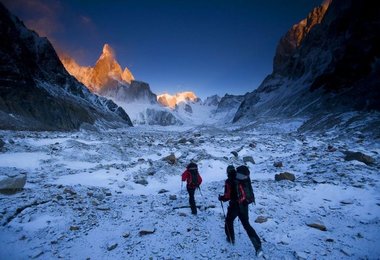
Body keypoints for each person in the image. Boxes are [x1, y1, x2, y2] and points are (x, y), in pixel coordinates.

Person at [218, 165, 263, 257]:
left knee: (229, 220)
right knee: (247, 225)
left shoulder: (229, 181)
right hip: (244, 205)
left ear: (227, 172)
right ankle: (258, 246)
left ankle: (231, 238)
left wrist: (221, 198)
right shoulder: (243, 179)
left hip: (234, 206)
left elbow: (227, 196)